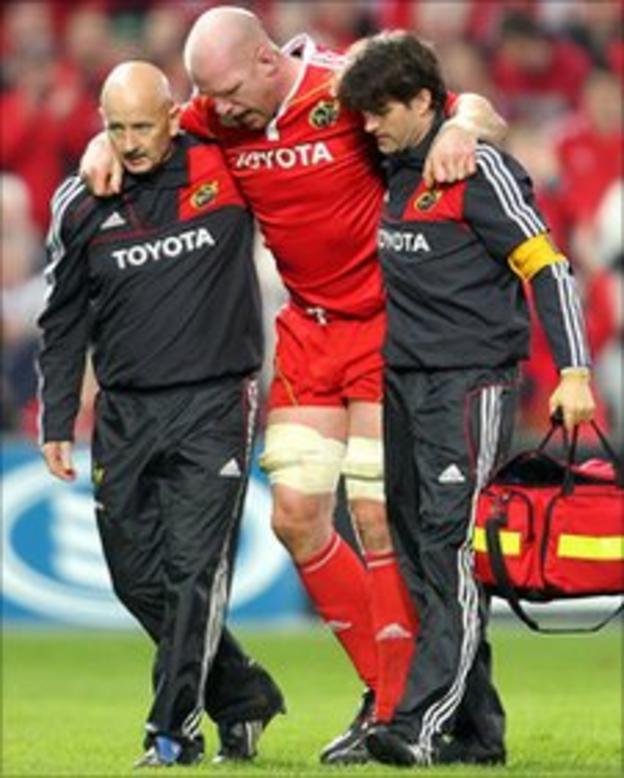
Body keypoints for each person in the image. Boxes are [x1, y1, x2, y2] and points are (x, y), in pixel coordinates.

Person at [80, 6, 508, 763]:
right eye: (206, 98)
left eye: (228, 93)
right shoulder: (215, 114)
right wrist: (96, 144)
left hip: (384, 325)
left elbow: (463, 103)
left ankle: (401, 709)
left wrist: (464, 126)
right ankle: (388, 695)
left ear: (267, 62)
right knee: (298, 519)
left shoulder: (345, 88)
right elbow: (146, 121)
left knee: (375, 517)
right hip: (308, 332)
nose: (218, 110)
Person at [337, 31, 596, 767]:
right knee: (425, 560)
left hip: (470, 384)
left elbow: (549, 268)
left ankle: (414, 725)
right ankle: (478, 732)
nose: (368, 126)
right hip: (403, 382)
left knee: (451, 549)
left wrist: (574, 371)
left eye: (382, 111)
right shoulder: (394, 166)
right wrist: (461, 117)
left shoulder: (476, 172)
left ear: (423, 101)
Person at [37, 61, 284, 769]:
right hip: (124, 411)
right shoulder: (81, 203)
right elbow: (61, 322)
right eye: (116, 128)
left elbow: (276, 106)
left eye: (144, 125)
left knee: (193, 573)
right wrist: (58, 419)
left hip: (216, 402)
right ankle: (243, 693)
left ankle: (171, 731)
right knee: (134, 576)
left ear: (176, 114)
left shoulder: (228, 168)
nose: (131, 142)